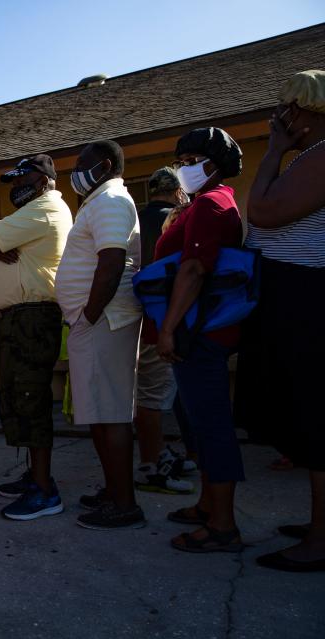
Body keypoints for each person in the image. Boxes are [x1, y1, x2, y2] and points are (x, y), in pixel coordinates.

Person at [239, 70, 325, 572]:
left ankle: (320, 538)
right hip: (290, 291)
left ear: (311, 113)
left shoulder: (321, 155)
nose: (281, 117)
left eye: (289, 108)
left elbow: (266, 210)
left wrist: (272, 150)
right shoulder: (310, 156)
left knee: (315, 417)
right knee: (299, 414)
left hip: (307, 294)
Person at [152, 127, 246, 553]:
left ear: (215, 162)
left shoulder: (210, 204)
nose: (184, 168)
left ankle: (223, 525)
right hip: (198, 326)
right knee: (200, 421)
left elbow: (193, 269)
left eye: (192, 160)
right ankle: (208, 504)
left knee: (211, 426)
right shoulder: (206, 202)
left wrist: (168, 328)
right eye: (182, 160)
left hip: (198, 329)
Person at [55, 139, 145, 530]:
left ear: (104, 166)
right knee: (98, 413)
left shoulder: (111, 201)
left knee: (110, 414)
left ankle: (124, 504)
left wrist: (88, 314)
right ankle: (113, 491)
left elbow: (111, 263)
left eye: (81, 164)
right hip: (95, 322)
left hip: (104, 322)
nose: (75, 171)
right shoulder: (100, 202)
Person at [0, 154, 72, 520]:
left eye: (22, 180)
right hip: (18, 318)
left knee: (30, 398)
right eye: (14, 181)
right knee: (19, 398)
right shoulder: (29, 213)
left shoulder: (46, 207)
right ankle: (34, 475)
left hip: (32, 318)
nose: (16, 186)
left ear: (44, 180)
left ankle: (45, 489)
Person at [134, 167, 195, 495]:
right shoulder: (177, 220)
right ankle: (152, 463)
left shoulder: (134, 220)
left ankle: (160, 452)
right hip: (166, 315)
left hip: (141, 314)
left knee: (154, 391)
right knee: (154, 394)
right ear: (177, 192)